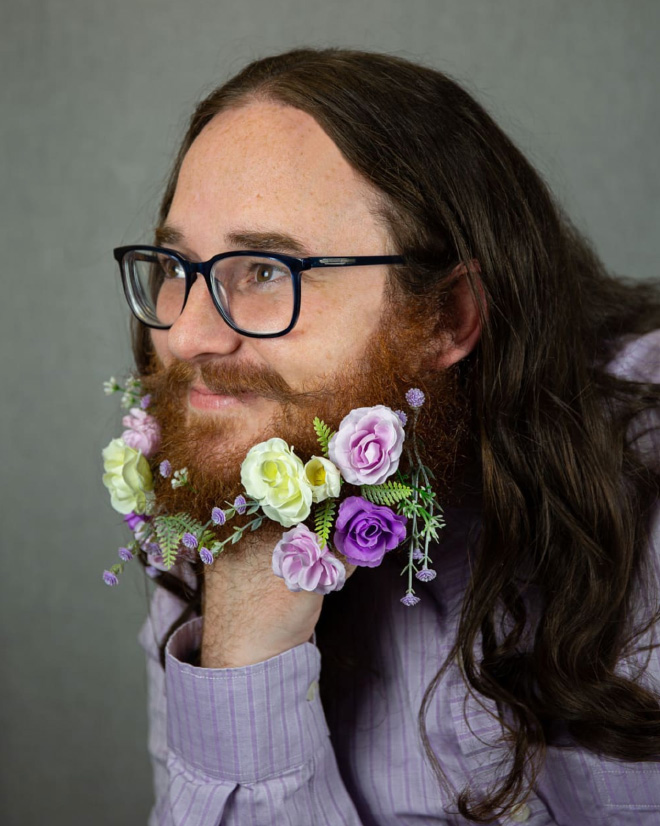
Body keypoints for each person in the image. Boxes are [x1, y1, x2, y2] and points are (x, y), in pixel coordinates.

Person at [116, 48, 660, 825]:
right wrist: (246, 638)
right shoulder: (208, 513)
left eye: (266, 269)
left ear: (448, 316)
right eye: (177, 265)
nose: (189, 333)